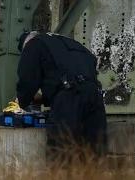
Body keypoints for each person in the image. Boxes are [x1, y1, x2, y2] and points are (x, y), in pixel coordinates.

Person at [16, 30, 107, 158]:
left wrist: (22, 101)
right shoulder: (70, 44)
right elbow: (66, 77)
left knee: (62, 157)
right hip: (95, 98)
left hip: (69, 102)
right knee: (94, 157)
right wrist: (45, 99)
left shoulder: (33, 44)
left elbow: (27, 80)